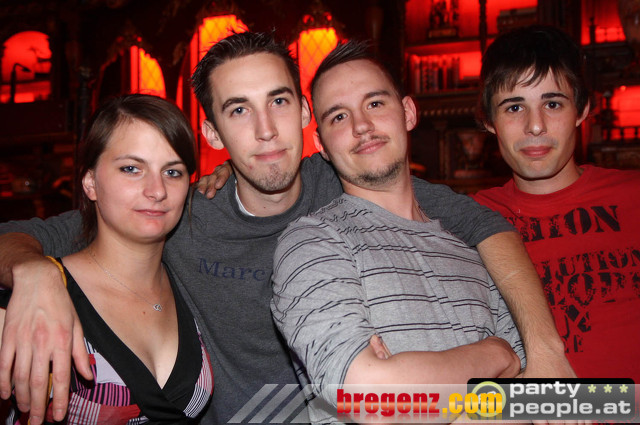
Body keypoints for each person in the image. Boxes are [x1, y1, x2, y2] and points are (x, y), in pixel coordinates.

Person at [0, 32, 570, 425]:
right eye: (239, 110)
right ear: (213, 133)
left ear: (303, 113)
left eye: (277, 101)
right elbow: (29, 234)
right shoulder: (174, 210)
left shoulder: (349, 180)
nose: (266, 130)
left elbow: (481, 222)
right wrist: (36, 274)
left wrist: (544, 355)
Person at [271, 41, 524, 418]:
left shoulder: (472, 254)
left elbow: (526, 400)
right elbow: (371, 399)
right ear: (321, 143)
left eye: (375, 103)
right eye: (338, 117)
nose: (361, 126)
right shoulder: (311, 243)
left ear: (407, 112)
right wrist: (494, 354)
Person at [0, 94, 213, 423]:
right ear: (90, 183)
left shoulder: (187, 280)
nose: (157, 190)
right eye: (131, 169)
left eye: (172, 172)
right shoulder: (34, 300)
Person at [472, 25, 640, 382]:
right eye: (514, 107)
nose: (535, 126)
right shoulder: (469, 219)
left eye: (552, 104)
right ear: (489, 121)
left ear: (582, 110)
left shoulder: (633, 197)